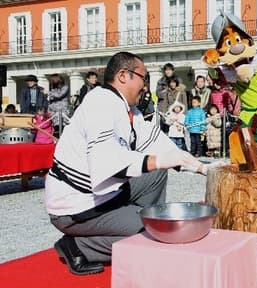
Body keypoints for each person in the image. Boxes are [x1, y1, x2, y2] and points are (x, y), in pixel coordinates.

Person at [45, 52, 216, 276]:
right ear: (124, 76)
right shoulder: (100, 102)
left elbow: (159, 144)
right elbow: (105, 161)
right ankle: (79, 246)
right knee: (155, 233)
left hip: (102, 194)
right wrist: (159, 160)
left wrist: (204, 168)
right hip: (75, 206)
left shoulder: (128, 109)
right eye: (143, 78)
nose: (145, 86)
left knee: (156, 174)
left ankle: (139, 220)